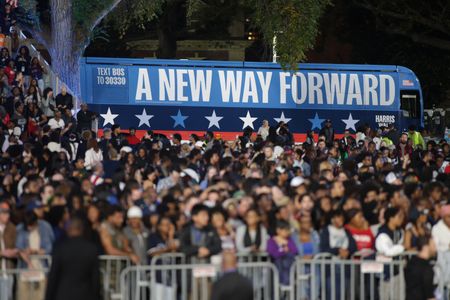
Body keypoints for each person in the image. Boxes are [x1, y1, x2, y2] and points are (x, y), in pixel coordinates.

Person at [45, 218, 100, 300]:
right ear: (82, 229)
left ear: (68, 230)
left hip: (63, 294)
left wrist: (48, 297)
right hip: (85, 295)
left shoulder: (60, 248)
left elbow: (53, 276)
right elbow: (95, 279)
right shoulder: (92, 249)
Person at [404, 235, 437, 300]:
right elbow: (429, 294)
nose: (435, 248)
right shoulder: (426, 268)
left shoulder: (411, 262)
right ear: (425, 247)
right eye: (433, 245)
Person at [267, 220, 298, 285]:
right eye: (286, 230)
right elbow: (273, 253)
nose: (288, 232)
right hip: (277, 269)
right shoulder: (271, 241)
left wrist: (287, 243)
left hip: (289, 269)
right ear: (278, 230)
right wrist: (283, 251)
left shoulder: (289, 240)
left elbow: (295, 250)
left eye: (288, 230)